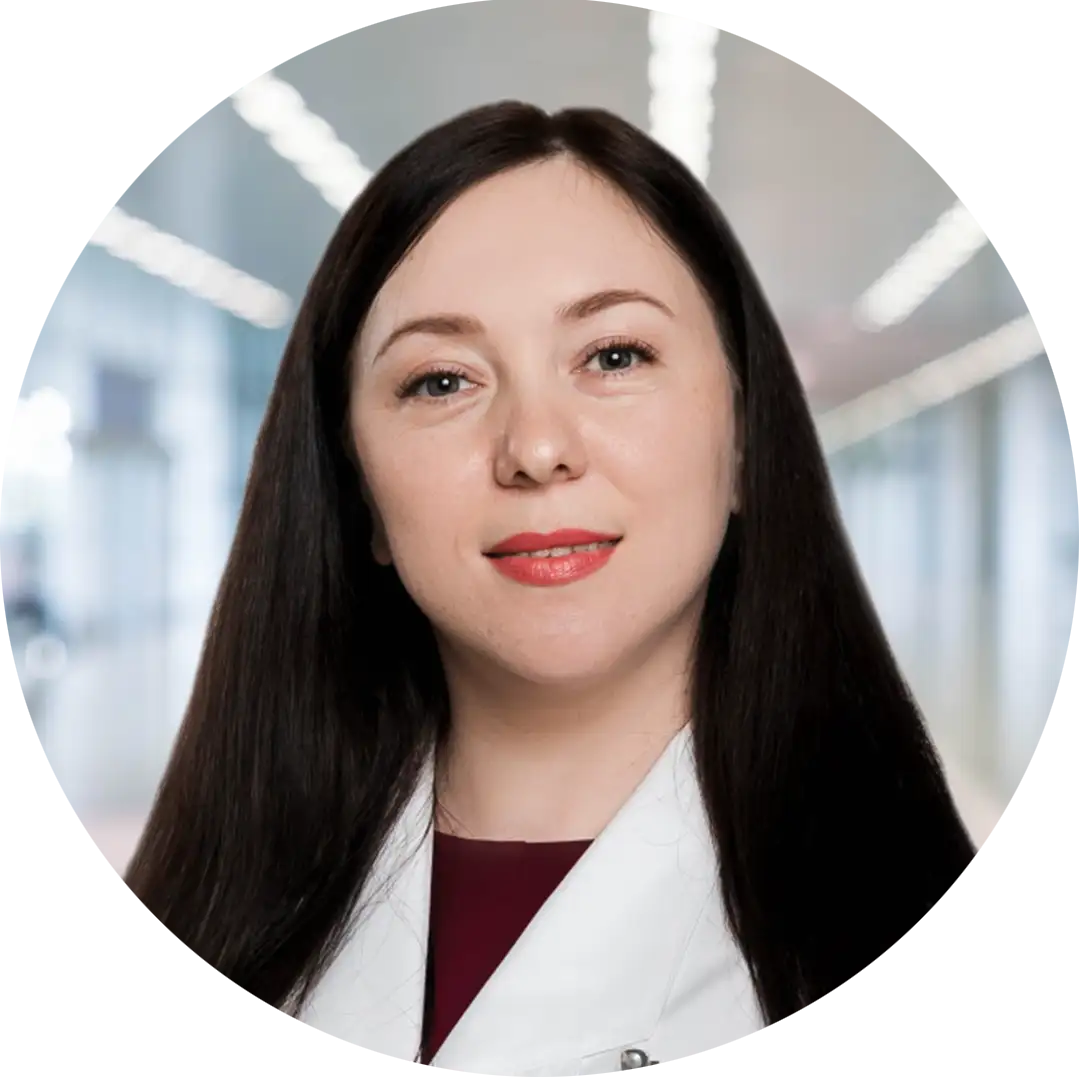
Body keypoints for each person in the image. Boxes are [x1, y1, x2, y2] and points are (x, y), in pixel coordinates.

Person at [123, 101, 977, 1075]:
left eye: (614, 357)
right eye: (442, 381)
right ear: (358, 493)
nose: (535, 448)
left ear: (744, 440)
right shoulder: (186, 940)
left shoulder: (945, 972)